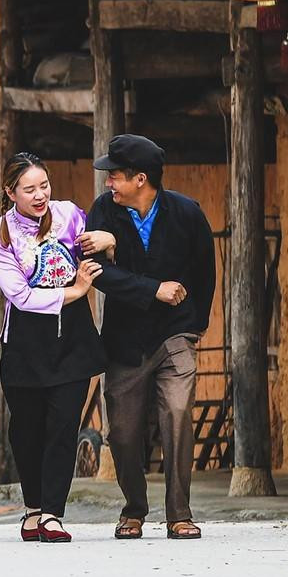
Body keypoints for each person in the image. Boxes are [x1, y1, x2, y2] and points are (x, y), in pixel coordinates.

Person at [78, 134, 217, 541]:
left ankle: (180, 514)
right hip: (124, 340)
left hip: (175, 333)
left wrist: (196, 324)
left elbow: (205, 270)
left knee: (177, 415)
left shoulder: (187, 212)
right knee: (122, 433)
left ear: (140, 179)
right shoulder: (104, 211)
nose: (108, 182)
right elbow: (96, 272)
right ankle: (134, 509)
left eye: (115, 175)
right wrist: (152, 287)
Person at [0, 152, 103, 544]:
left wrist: (109, 239)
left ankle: (52, 513)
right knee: (26, 429)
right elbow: (19, 295)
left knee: (63, 425)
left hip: (73, 337)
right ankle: (33, 507)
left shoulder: (69, 215)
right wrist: (76, 291)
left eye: (44, 186)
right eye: (29, 189)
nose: (40, 196)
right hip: (26, 340)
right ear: (10, 192)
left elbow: (96, 250)